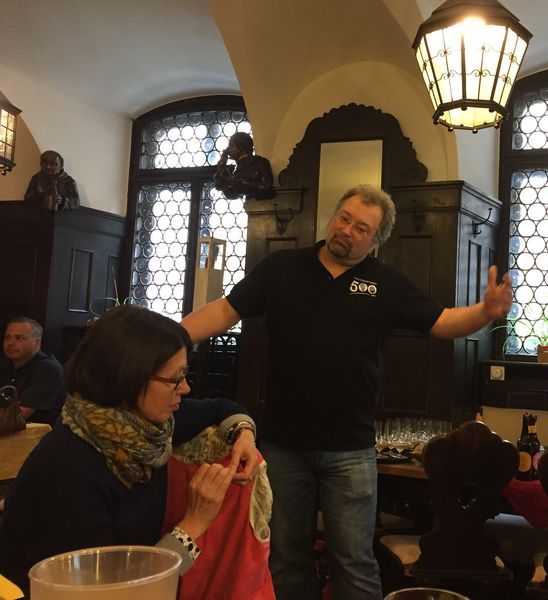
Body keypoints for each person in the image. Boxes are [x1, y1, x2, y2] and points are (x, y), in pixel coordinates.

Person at [181, 184, 513, 600]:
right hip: (284, 445)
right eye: (344, 218)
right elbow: (224, 311)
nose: (347, 230)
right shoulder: (282, 267)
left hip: (351, 449)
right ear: (332, 217)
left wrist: (486, 312)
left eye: (361, 227)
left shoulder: (387, 283)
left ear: (375, 240)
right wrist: (172, 336)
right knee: (285, 558)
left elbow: (443, 323)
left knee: (354, 562)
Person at [0, 306, 261, 595]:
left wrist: (244, 433)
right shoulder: (70, 465)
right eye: (176, 378)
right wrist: (194, 523)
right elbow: (113, 590)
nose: (185, 388)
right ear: (129, 377)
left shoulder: (148, 427)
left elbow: (222, 408)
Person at [0, 317, 66, 425]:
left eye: (19, 338)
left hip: (37, 436)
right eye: (7, 337)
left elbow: (18, 416)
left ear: (37, 343)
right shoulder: (4, 364)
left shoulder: (48, 369)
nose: (10, 343)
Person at [213, 131, 275, 200]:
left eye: (231, 146)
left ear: (241, 148)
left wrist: (240, 181)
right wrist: (222, 169)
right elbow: (231, 194)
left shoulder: (259, 162)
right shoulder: (238, 169)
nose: (228, 150)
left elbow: (266, 187)